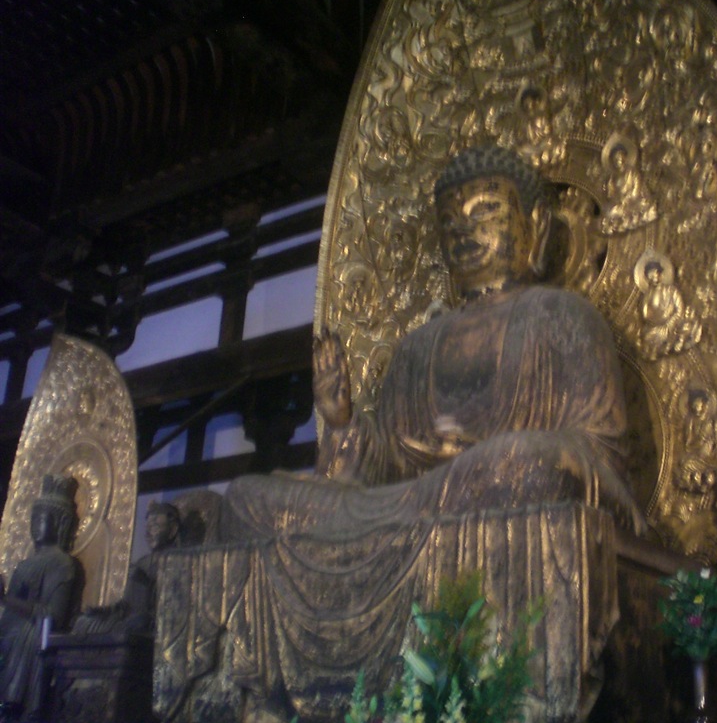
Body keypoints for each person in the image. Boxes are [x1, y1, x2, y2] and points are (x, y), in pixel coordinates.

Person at [220, 145, 645, 541]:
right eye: (448, 220)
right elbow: (377, 476)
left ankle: (438, 505)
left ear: (538, 225)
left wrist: (492, 461)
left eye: (485, 210)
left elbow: (599, 461)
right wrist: (341, 424)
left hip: (508, 483)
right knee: (244, 498)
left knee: (532, 462)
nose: (462, 229)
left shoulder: (564, 316)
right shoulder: (415, 349)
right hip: (410, 506)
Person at [0, 475, 81, 721]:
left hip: (30, 638)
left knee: (26, 634)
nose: (35, 524)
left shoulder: (62, 563)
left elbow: (52, 616)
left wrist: (5, 600)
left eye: (42, 518)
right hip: (9, 632)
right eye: (33, 517)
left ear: (59, 523)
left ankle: (14, 704)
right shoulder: (25, 563)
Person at [74, 501, 182, 635]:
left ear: (173, 529)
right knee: (82, 622)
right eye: (147, 528)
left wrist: (145, 584)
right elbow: (125, 605)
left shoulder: (179, 562)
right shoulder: (143, 562)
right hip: (128, 618)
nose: (149, 533)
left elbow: (173, 606)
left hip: (152, 620)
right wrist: (104, 611)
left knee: (136, 624)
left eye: (155, 527)